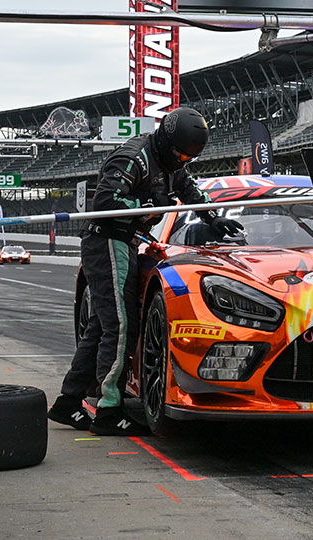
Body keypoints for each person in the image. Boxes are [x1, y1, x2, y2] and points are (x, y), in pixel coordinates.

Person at [47, 107, 243, 436]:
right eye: (179, 154)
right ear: (166, 142)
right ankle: (108, 410)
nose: (182, 161)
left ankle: (69, 401)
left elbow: (189, 190)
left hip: (126, 243)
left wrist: (213, 218)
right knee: (122, 327)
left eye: (188, 157)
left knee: (102, 327)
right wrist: (146, 207)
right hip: (108, 242)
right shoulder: (134, 158)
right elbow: (104, 202)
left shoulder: (172, 162)